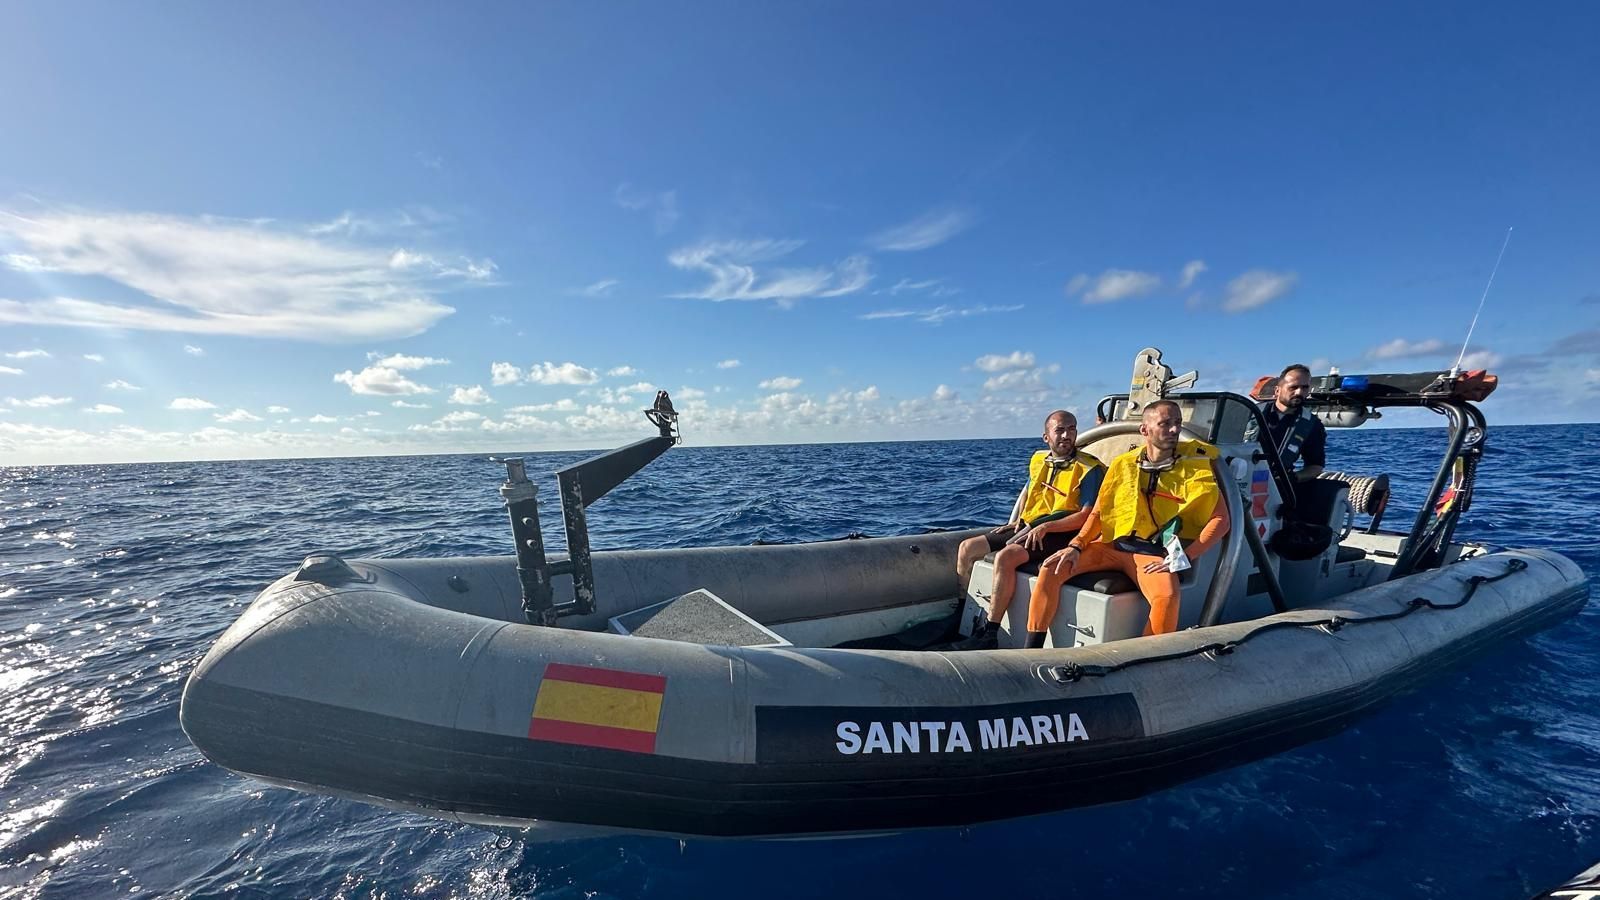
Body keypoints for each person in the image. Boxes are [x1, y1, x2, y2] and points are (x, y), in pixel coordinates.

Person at [1023, 400, 1230, 647]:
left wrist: (1185, 555)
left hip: (1152, 554)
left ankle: (1149, 660)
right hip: (1111, 546)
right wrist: (1076, 546)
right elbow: (1099, 514)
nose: (1174, 430)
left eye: (1177, 423)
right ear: (1144, 430)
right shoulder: (1123, 464)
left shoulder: (1195, 468)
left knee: (1167, 596)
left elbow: (1221, 520)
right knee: (1051, 568)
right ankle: (1032, 649)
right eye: (1165, 424)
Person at [953, 410, 1104, 649]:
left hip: (1062, 530)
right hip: (1031, 525)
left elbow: (1086, 515)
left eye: (1072, 429)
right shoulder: (1038, 461)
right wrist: (1019, 520)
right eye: (1060, 430)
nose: (1066, 435)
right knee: (966, 548)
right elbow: (1030, 491)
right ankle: (959, 615)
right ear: (1046, 437)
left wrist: (1046, 526)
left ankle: (990, 633)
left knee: (1006, 557)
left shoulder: (1088, 468)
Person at [1251, 363, 1326, 480]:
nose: (1299, 392)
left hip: (1278, 486)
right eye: (1293, 387)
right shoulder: (1250, 413)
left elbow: (1315, 466)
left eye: (1304, 388)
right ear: (1277, 390)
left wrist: (1293, 478)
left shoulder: (1312, 425)